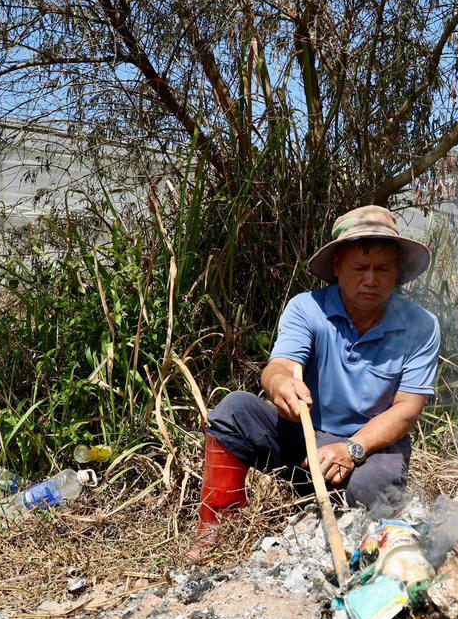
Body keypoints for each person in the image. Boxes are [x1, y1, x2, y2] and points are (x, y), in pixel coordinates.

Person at [186, 205, 440, 562]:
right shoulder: (307, 308)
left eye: (382, 269)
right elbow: (279, 367)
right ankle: (217, 533)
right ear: (337, 266)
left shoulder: (421, 326)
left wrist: (352, 449)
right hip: (305, 436)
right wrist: (280, 387)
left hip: (370, 447)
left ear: (396, 271)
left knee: (374, 489)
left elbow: (406, 411)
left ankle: (361, 545)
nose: (371, 279)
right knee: (233, 412)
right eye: (359, 268)